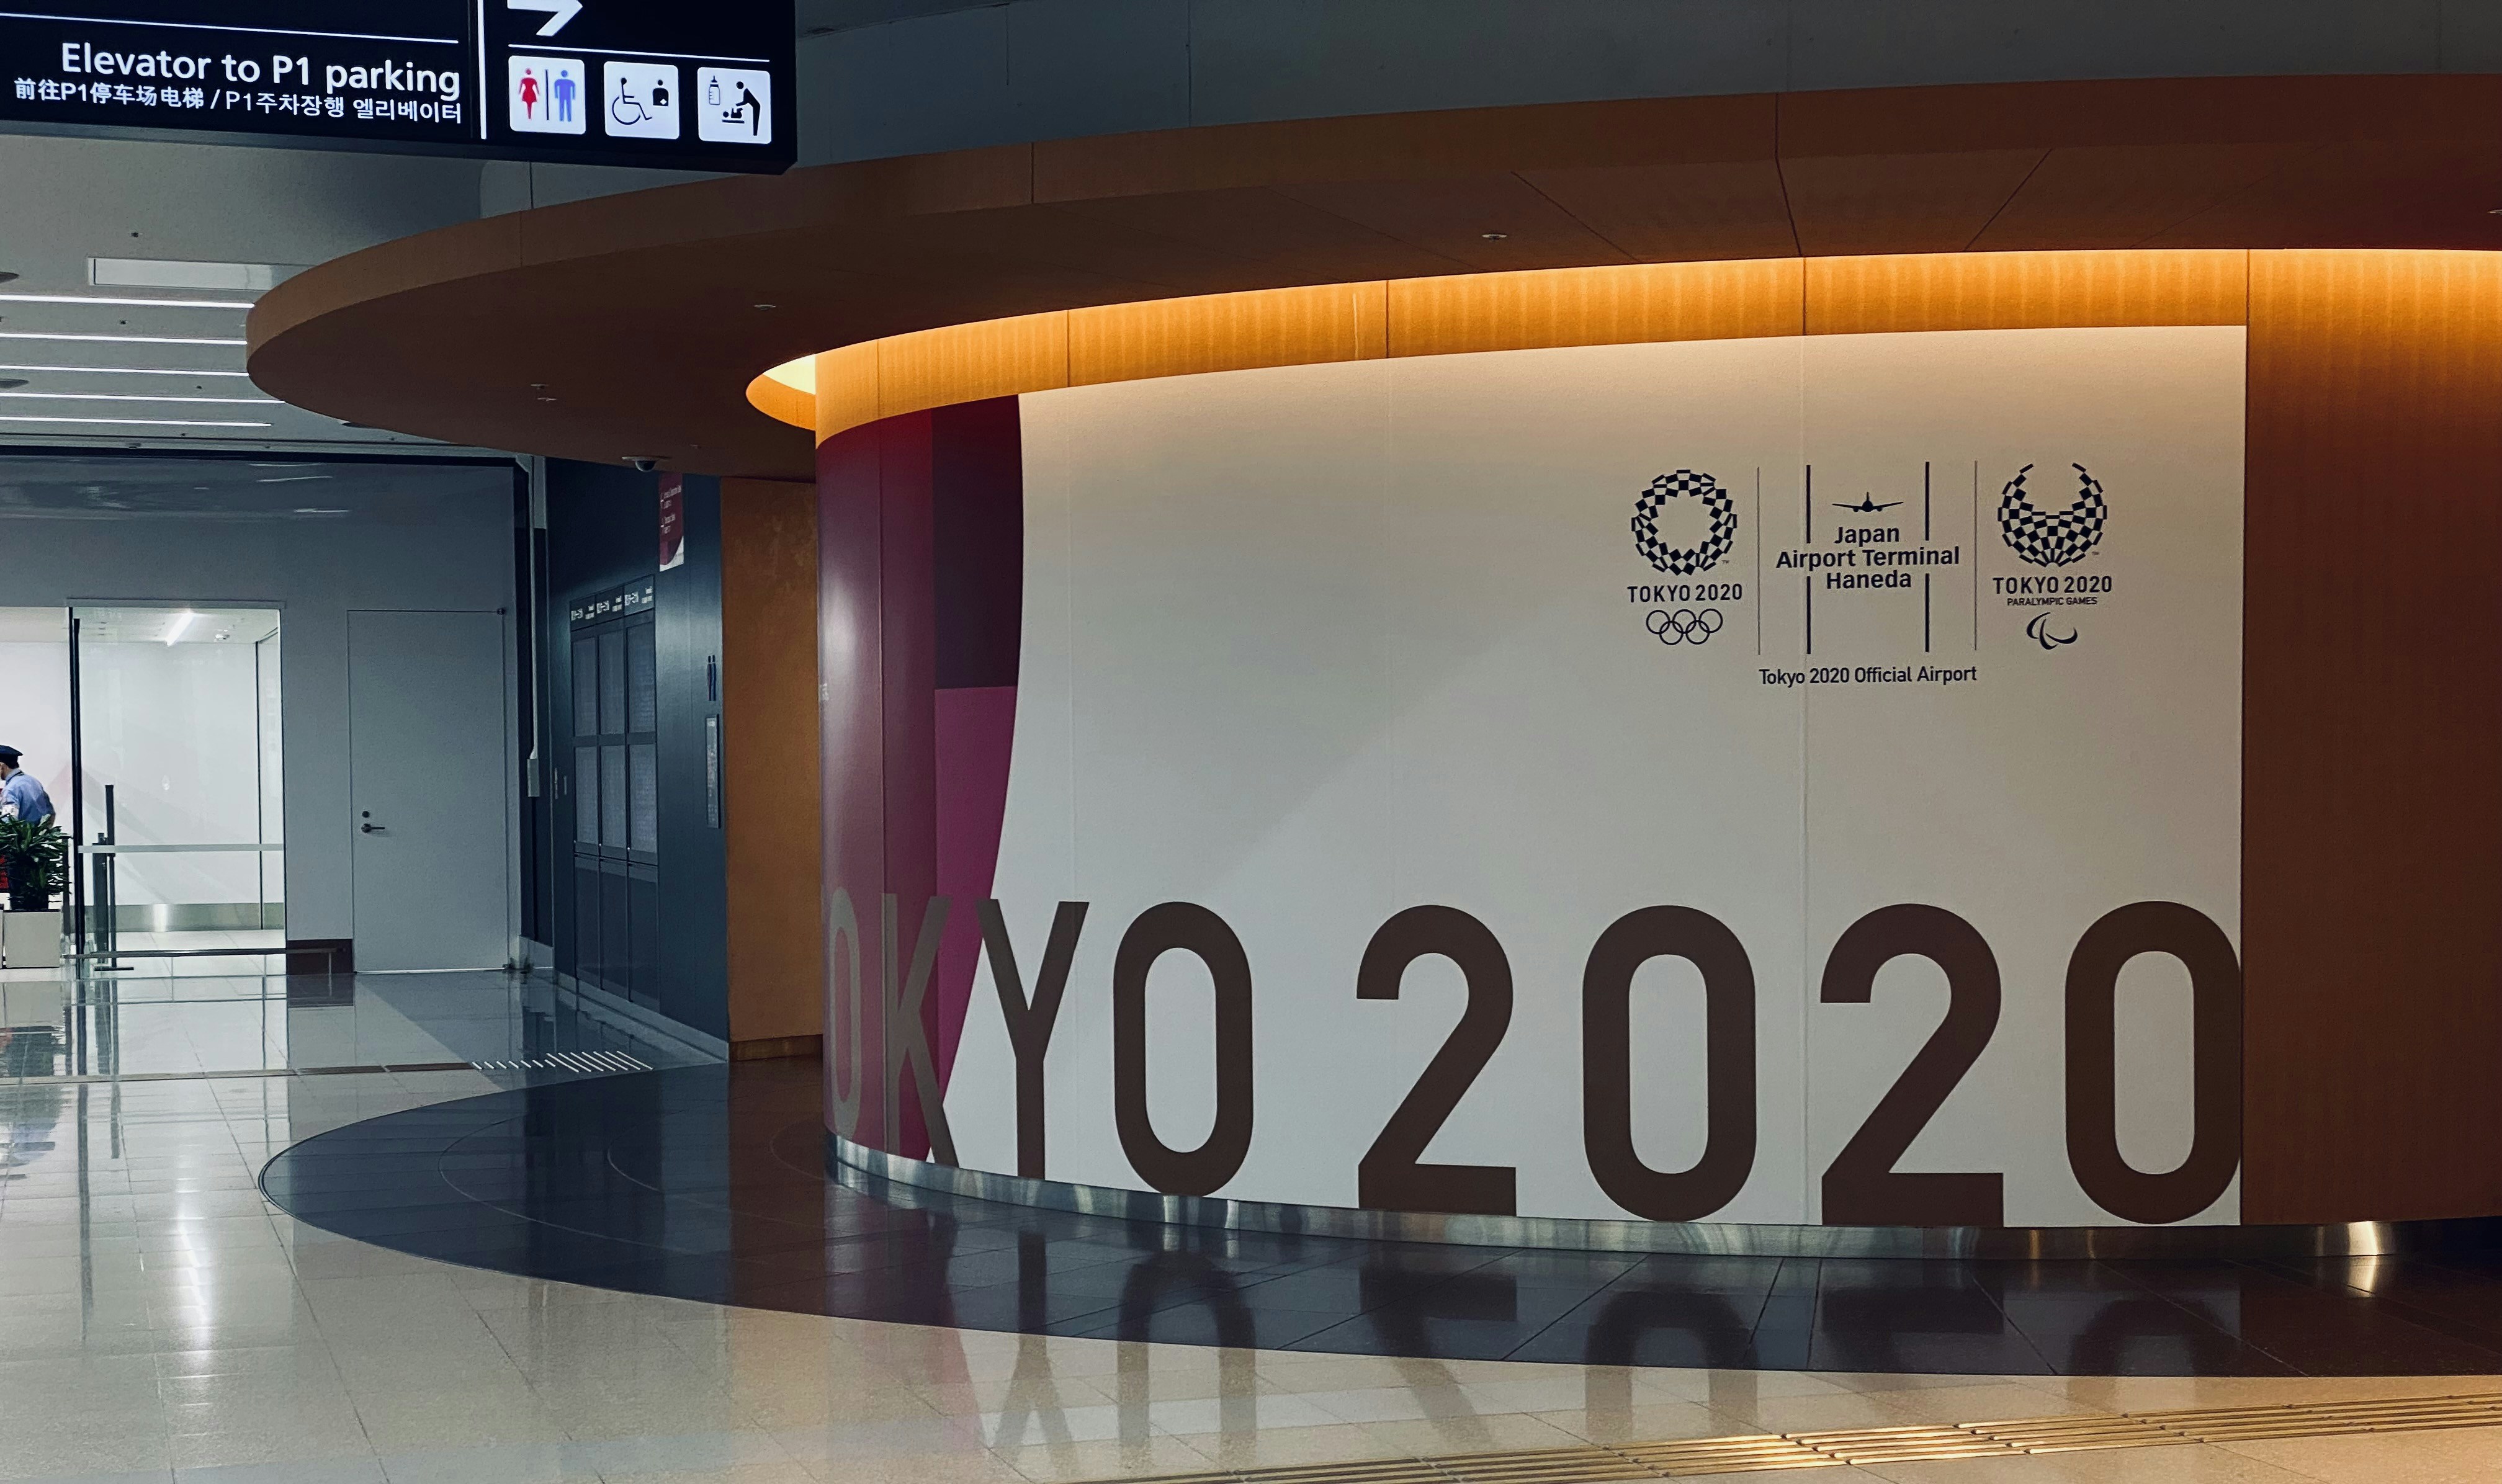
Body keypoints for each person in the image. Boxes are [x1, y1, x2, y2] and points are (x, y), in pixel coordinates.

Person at [0, 748, 53, 823]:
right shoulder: (34, 782)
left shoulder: (10, 790)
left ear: (2, 766)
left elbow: (9, 823)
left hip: (22, 835)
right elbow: (51, 814)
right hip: (39, 834)